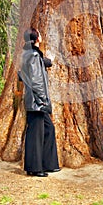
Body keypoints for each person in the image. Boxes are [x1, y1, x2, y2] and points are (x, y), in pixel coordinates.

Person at [19, 27, 60, 177]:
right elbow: (36, 81)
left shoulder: (28, 54)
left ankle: (48, 164)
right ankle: (34, 169)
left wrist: (49, 61)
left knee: (49, 130)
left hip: (34, 101)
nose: (41, 36)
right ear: (37, 39)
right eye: (40, 35)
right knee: (35, 135)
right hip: (36, 102)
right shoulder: (33, 56)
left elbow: (40, 63)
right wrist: (43, 101)